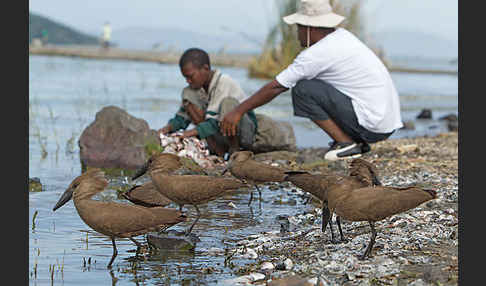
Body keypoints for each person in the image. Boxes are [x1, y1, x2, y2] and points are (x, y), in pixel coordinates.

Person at [220, 0, 403, 161]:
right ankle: (354, 142)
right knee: (311, 86)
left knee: (303, 89)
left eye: (298, 27)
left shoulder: (317, 53)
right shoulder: (343, 37)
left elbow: (276, 87)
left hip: (372, 126)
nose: (297, 33)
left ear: (310, 28)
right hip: (384, 123)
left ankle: (346, 143)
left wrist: (238, 111)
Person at [158, 48, 258, 158]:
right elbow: (181, 119)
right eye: (185, 77)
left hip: (244, 133)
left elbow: (214, 123)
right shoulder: (195, 90)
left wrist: (186, 134)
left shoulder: (224, 83)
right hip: (220, 134)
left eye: (191, 76)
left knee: (228, 104)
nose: (188, 81)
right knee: (188, 96)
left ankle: (234, 151)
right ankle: (216, 150)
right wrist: (167, 129)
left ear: (205, 69)